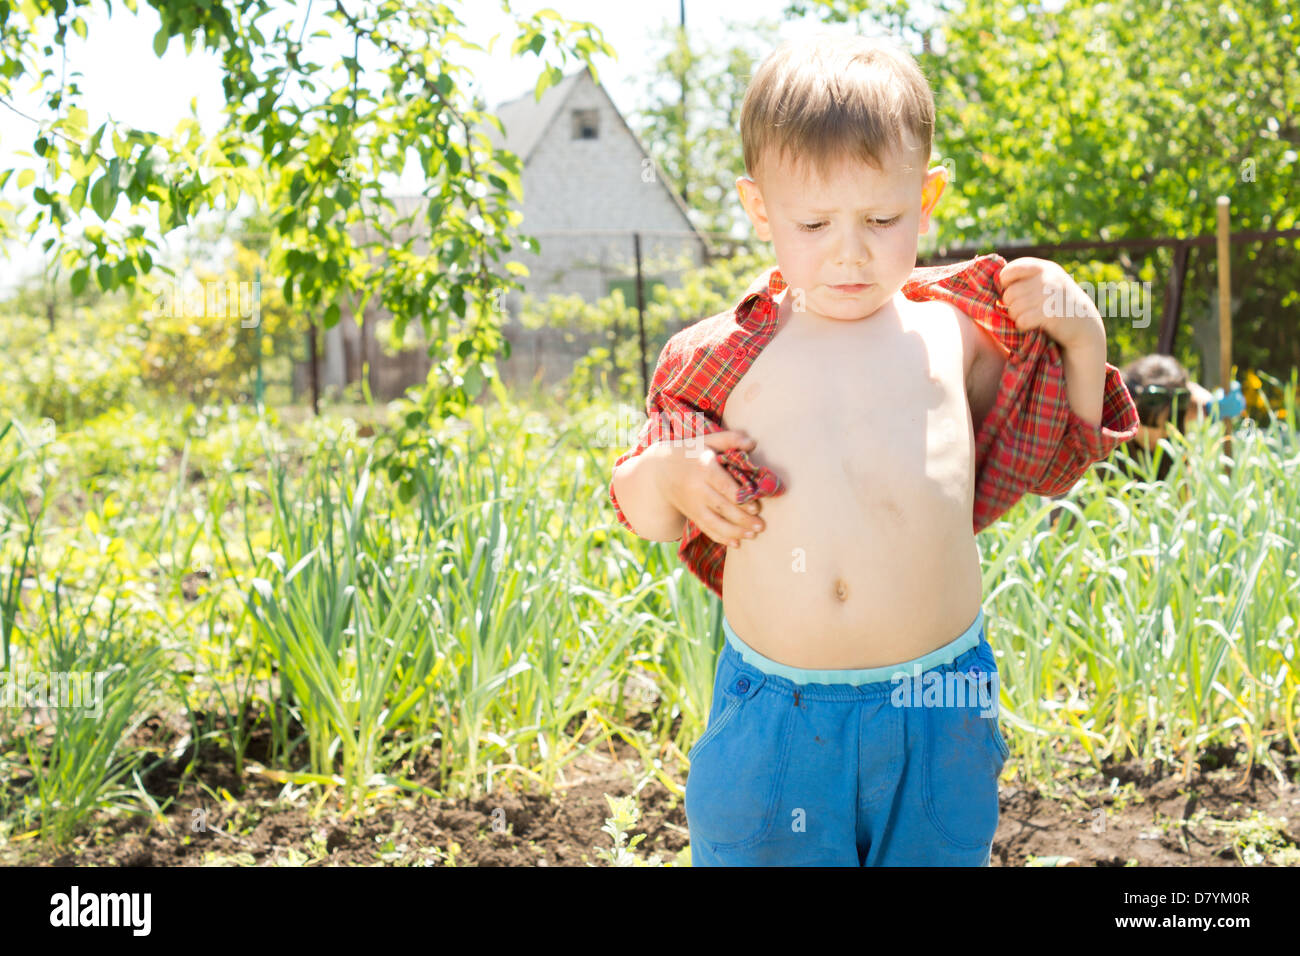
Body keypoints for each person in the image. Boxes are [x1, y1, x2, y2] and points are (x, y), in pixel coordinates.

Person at [608, 34, 1139, 866]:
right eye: (813, 223)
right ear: (759, 209)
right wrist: (672, 472)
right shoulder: (728, 352)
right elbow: (643, 511)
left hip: (941, 701)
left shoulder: (955, 332)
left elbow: (1059, 456)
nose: (849, 251)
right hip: (776, 713)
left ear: (926, 198)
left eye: (882, 219)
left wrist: (1083, 335)